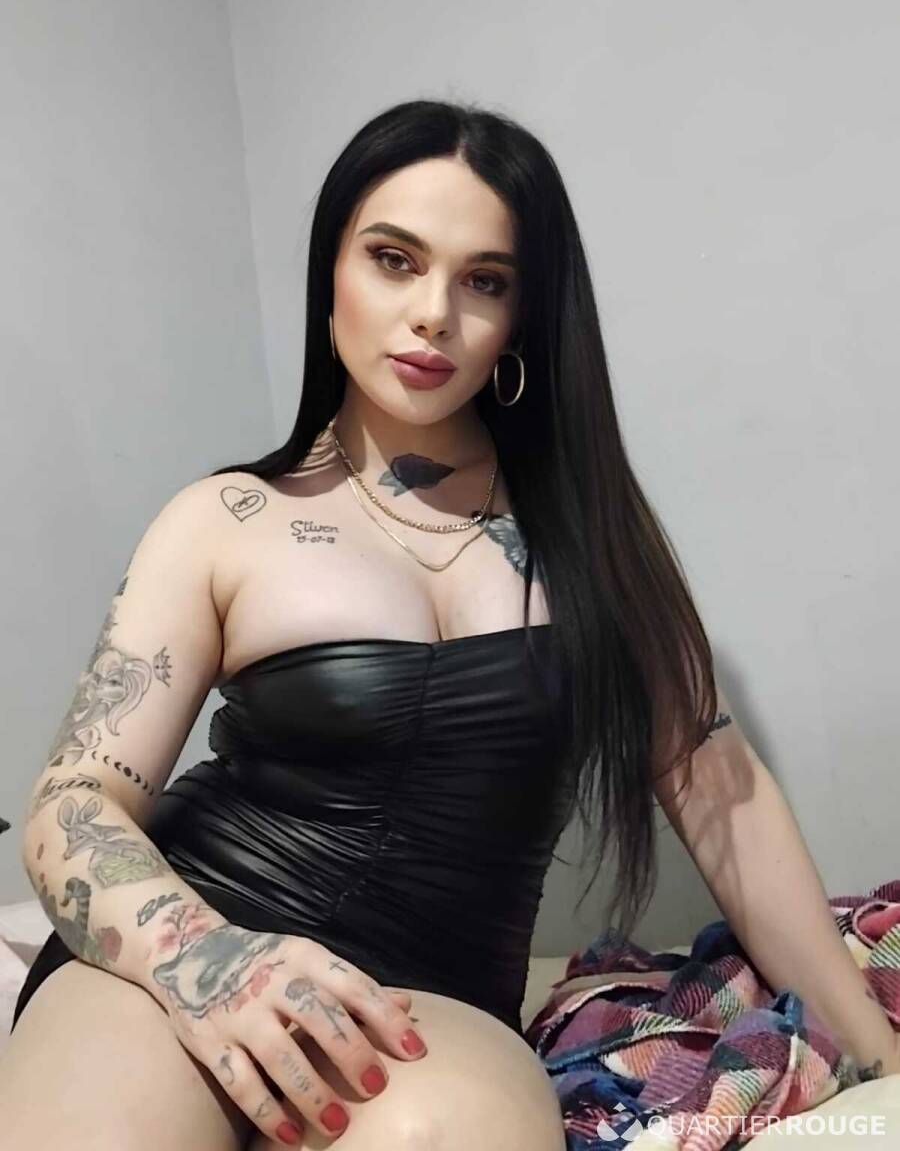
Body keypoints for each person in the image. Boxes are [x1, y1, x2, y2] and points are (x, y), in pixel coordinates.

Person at [0, 100, 720, 1150]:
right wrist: (208, 959)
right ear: (330, 273)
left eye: (485, 280)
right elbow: (73, 803)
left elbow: (726, 795)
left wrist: (871, 1049)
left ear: (523, 316)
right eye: (394, 259)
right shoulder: (222, 518)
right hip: (186, 943)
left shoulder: (595, 535)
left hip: (432, 993)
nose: (434, 313)